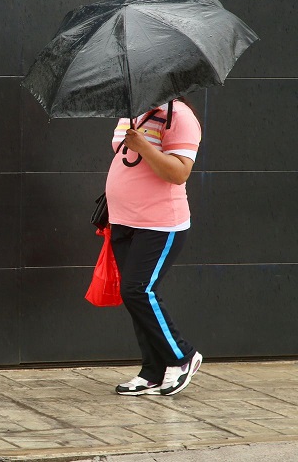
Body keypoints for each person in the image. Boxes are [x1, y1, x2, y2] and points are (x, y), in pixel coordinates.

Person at [106, 97, 203, 396]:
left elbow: (179, 173)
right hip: (124, 221)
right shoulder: (131, 113)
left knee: (138, 290)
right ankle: (152, 371)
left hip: (160, 223)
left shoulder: (180, 117)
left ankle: (182, 356)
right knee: (135, 297)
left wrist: (144, 146)